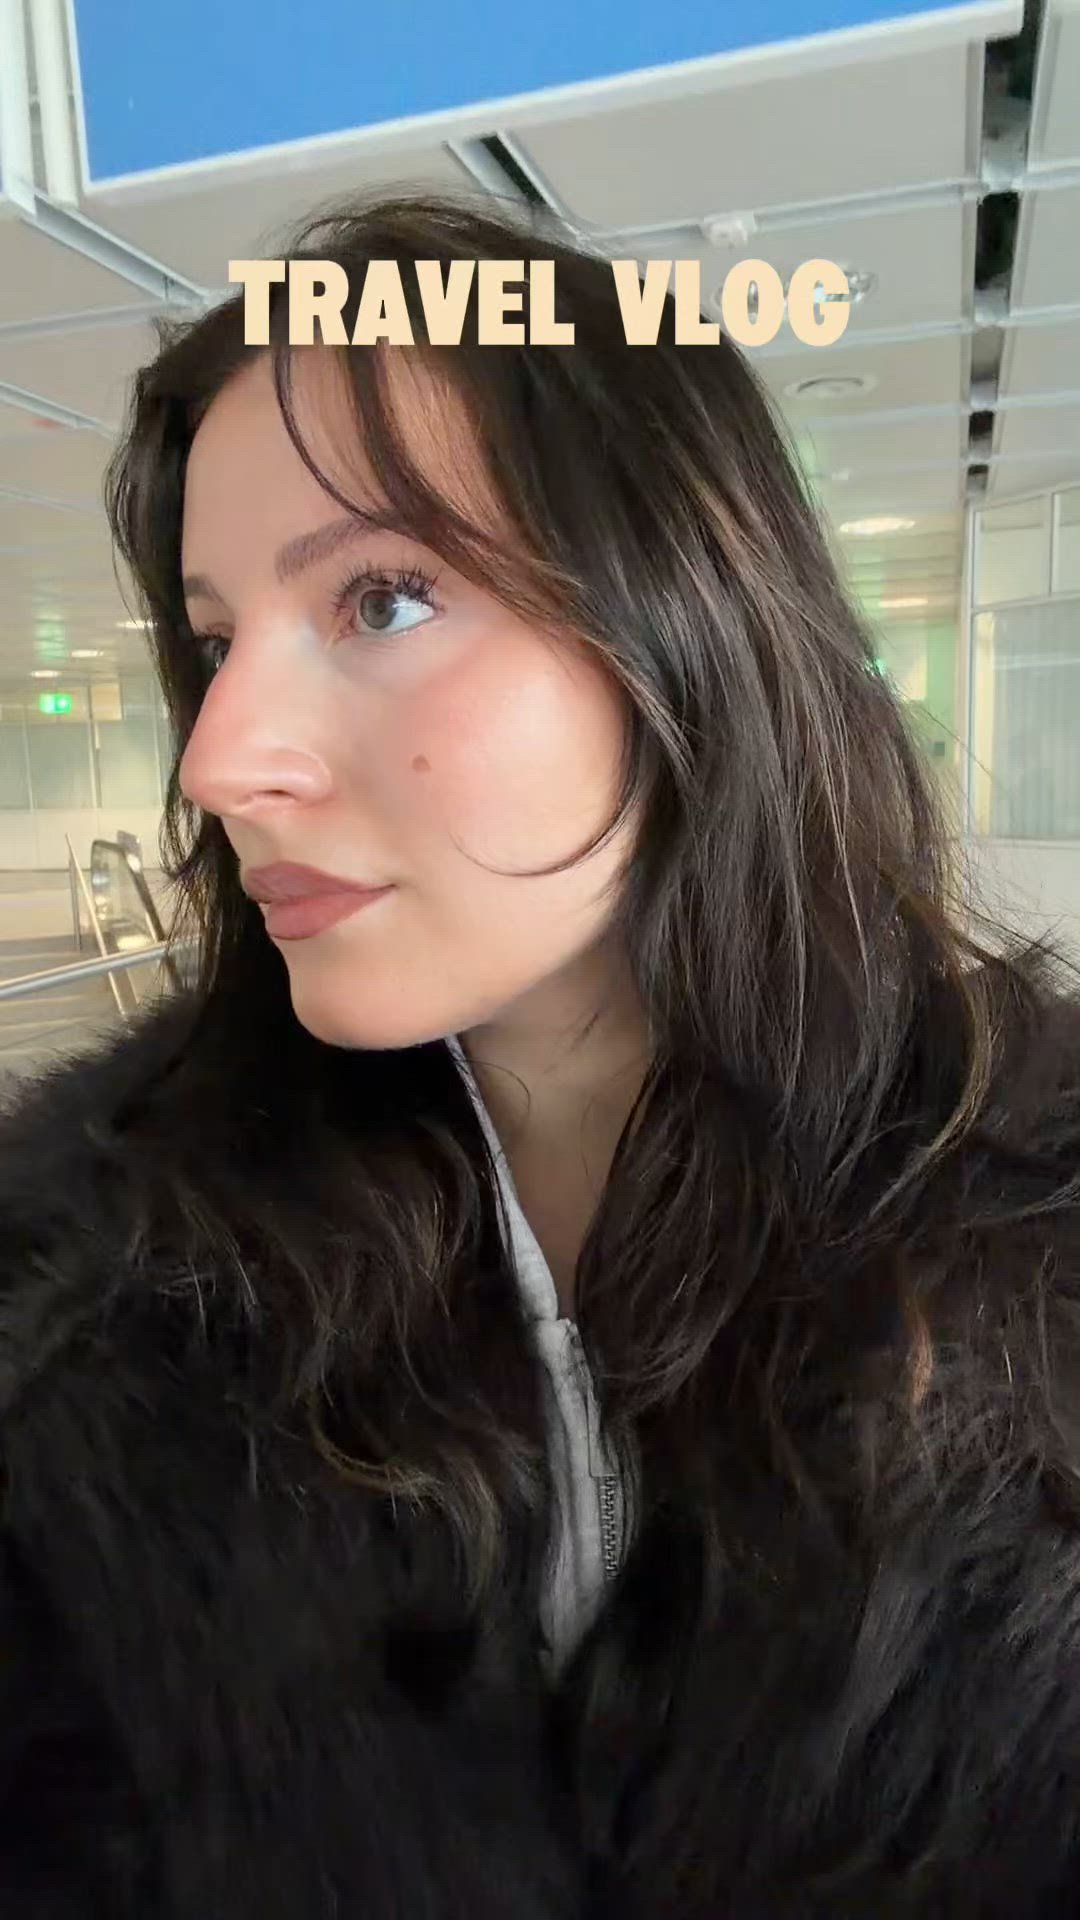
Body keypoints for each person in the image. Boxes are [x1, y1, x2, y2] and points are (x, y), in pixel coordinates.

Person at [2, 189, 1080, 1920]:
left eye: (383, 597)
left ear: (690, 620)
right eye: (212, 643)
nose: (219, 758)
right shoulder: (83, 1309)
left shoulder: (1039, 1239)